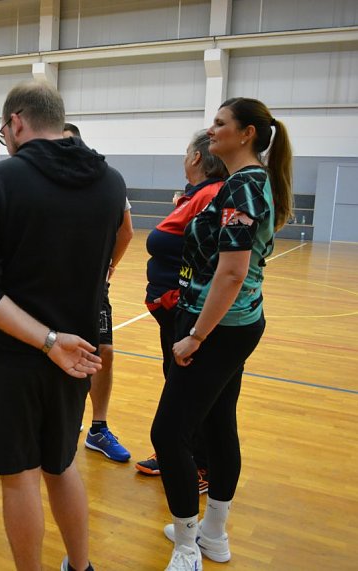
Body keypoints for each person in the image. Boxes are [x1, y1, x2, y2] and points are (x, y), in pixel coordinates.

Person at [0, 81, 125, 571]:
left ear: (16, 123)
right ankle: (80, 565)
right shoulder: (111, 182)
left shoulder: (0, 181)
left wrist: (47, 341)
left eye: (4, 130)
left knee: (19, 476)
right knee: (62, 463)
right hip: (78, 354)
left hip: (18, 354)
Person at [151, 98, 293, 570]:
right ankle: (212, 535)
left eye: (219, 123)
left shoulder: (244, 189)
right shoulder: (245, 183)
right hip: (232, 325)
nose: (210, 130)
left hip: (219, 328)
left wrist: (194, 336)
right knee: (216, 423)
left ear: (247, 133)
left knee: (169, 433)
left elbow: (232, 273)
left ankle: (188, 546)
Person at [134, 130, 228, 490]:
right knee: (175, 381)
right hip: (172, 308)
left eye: (187, 152)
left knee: (188, 389)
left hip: (183, 307)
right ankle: (176, 451)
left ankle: (198, 464)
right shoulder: (196, 195)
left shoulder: (210, 195)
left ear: (197, 159)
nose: (183, 158)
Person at [63, 126, 136, 463]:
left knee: (102, 350)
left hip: (93, 287)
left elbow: (127, 230)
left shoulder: (105, 180)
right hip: (51, 287)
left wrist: (110, 267)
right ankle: (64, 420)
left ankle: (98, 427)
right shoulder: (44, 182)